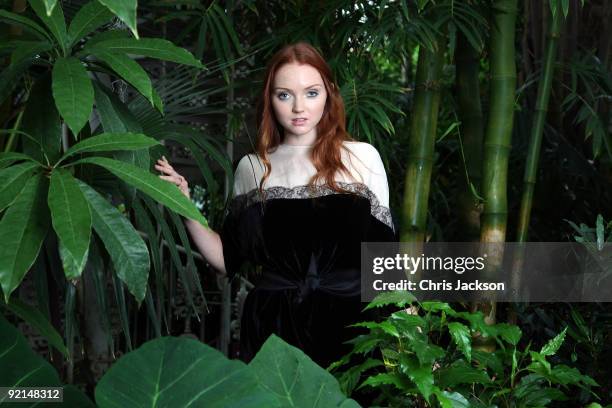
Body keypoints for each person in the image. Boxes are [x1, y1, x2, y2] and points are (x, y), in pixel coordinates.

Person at [155, 42, 397, 368]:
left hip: (351, 327)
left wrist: (410, 334)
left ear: (328, 95)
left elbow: (386, 261)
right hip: (273, 328)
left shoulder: (362, 157)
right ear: (270, 99)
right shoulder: (251, 167)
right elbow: (228, 259)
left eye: (311, 93)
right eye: (285, 95)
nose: (299, 107)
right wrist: (184, 206)